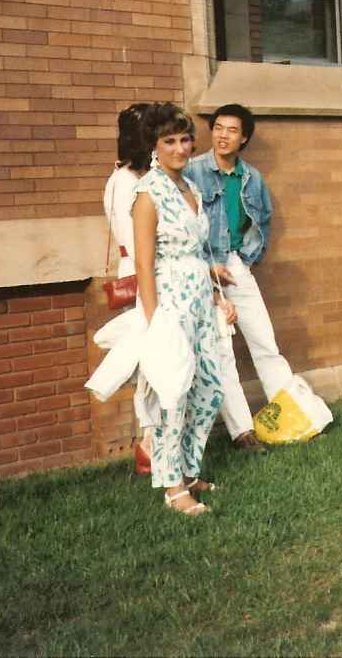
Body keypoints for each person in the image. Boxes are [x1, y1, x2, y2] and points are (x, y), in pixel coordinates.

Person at [130, 103, 236, 515]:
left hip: (198, 298)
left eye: (185, 139)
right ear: (155, 147)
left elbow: (200, 251)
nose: (179, 148)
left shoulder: (190, 186)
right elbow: (143, 262)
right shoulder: (148, 192)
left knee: (209, 389)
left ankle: (189, 468)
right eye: (169, 141)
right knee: (173, 394)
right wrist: (156, 322)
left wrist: (216, 298)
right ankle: (172, 486)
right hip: (168, 302)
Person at [183, 103, 298, 454]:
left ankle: (289, 418)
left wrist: (246, 257)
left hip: (235, 264)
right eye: (218, 127)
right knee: (222, 352)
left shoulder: (251, 177)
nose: (222, 135)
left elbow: (261, 220)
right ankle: (242, 432)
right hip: (204, 266)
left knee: (265, 342)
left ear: (244, 137)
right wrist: (206, 270)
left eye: (231, 130)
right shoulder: (193, 172)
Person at [102, 102, 153, 474]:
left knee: (152, 365)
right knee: (150, 364)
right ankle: (150, 446)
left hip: (143, 270)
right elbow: (137, 244)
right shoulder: (125, 183)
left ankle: (153, 444)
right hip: (141, 274)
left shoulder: (131, 178)